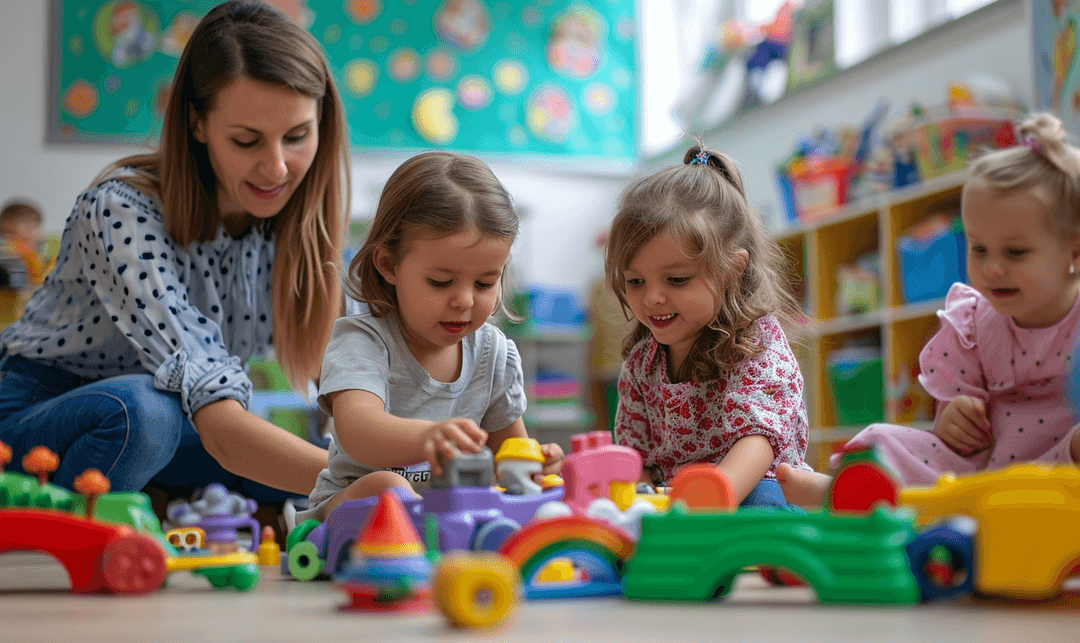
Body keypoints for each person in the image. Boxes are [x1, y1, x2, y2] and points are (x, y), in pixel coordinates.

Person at [0, 1, 350, 503]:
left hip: (173, 428)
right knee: (146, 412)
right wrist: (358, 480)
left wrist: (411, 466)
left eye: (297, 136)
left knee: (293, 451)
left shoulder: (288, 230)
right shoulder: (119, 210)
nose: (276, 169)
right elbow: (222, 423)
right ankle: (84, 528)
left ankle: (157, 503)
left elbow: (356, 385)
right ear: (197, 123)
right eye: (247, 141)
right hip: (39, 419)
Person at [778, 112, 1080, 508]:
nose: (991, 268)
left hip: (1061, 472)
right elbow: (952, 422)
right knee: (882, 439)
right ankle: (846, 492)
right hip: (983, 471)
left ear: (1074, 252)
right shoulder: (975, 321)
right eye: (978, 248)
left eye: (1015, 252)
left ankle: (883, 502)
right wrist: (954, 416)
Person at [300, 151, 565, 521]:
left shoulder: (495, 353)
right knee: (388, 489)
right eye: (441, 282)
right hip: (352, 508)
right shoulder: (362, 339)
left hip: (448, 519)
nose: (465, 301)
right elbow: (356, 429)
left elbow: (511, 454)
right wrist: (426, 440)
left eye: (486, 282)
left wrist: (535, 461)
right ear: (388, 264)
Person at [604, 145, 813, 510]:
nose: (652, 298)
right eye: (635, 282)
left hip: (748, 491)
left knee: (763, 501)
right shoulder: (642, 362)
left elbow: (757, 442)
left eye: (677, 280)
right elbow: (634, 457)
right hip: (679, 505)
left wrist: (709, 502)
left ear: (730, 269)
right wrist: (637, 504)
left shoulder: (758, 345)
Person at [0, 200, 48, 327]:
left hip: (21, 313)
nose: (32, 230)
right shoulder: (6, 246)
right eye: (26, 224)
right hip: (6, 311)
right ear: (7, 225)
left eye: (36, 225)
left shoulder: (35, 250)